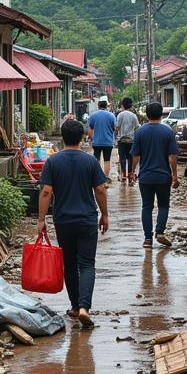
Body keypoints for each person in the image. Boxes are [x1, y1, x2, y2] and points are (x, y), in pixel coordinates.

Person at [37, 119, 108, 329]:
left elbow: (46, 191)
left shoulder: (53, 161)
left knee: (69, 263)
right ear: (82, 137)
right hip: (86, 219)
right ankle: (85, 307)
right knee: (86, 264)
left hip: (63, 220)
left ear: (62, 137)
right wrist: (105, 215)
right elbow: (101, 190)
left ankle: (76, 307)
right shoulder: (90, 161)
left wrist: (41, 220)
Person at [128, 102, 180, 249]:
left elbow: (136, 156)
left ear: (147, 114)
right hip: (163, 177)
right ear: (161, 113)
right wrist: (175, 175)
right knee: (163, 205)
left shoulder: (140, 132)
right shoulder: (167, 131)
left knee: (146, 206)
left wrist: (132, 172)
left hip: (145, 177)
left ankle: (147, 240)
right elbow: (172, 157)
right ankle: (160, 232)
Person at [87, 100, 116, 182]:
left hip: (97, 142)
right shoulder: (111, 115)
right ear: (106, 106)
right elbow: (115, 128)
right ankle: (105, 177)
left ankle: (97, 177)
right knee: (107, 160)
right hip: (108, 142)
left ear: (98, 106)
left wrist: (92, 139)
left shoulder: (93, 115)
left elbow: (90, 130)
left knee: (96, 159)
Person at [114, 97, 141, 183]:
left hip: (121, 140)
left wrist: (116, 131)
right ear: (131, 105)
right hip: (131, 140)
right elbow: (137, 127)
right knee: (130, 158)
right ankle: (130, 174)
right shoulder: (134, 115)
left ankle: (123, 175)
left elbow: (117, 127)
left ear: (122, 105)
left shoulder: (120, 115)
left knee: (122, 157)